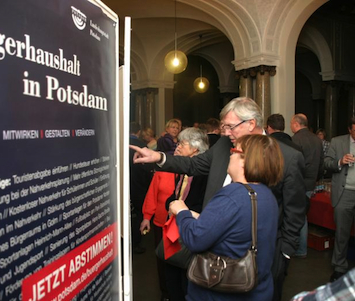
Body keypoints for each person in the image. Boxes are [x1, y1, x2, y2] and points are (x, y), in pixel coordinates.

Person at [130, 97, 306, 301]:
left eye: (231, 127)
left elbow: (295, 210)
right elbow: (194, 165)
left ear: (251, 123)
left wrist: (284, 254)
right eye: (224, 127)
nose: (226, 133)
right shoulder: (224, 145)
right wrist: (159, 157)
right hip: (213, 254)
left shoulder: (288, 157)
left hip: (261, 256)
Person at [169, 134, 283, 300]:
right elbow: (238, 230)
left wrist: (182, 212)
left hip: (220, 294)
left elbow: (194, 239)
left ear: (245, 160)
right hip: (258, 291)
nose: (230, 155)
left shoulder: (232, 195)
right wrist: (200, 217)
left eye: (234, 151)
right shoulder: (266, 195)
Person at [140, 127, 208, 301]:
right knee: (170, 273)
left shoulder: (204, 175)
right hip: (173, 229)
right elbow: (175, 194)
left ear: (195, 149)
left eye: (182, 144)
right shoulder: (181, 170)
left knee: (187, 278)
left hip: (190, 231)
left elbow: (202, 204)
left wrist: (183, 211)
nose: (177, 147)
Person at [324, 117, 355, 282]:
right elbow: (326, 163)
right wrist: (340, 161)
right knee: (342, 233)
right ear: (350, 129)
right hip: (344, 194)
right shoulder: (337, 142)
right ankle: (339, 267)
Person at [290, 114, 323, 258]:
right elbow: (321, 163)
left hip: (298, 183)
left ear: (296, 124)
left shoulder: (296, 139)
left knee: (297, 217)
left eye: (291, 123)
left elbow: (294, 164)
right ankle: (301, 248)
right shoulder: (316, 139)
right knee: (303, 215)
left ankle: (300, 249)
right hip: (311, 183)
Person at [129, 122, 153, 254]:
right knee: (138, 215)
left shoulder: (119, 142)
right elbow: (147, 169)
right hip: (139, 185)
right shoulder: (142, 146)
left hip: (123, 185)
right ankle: (135, 244)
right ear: (138, 132)